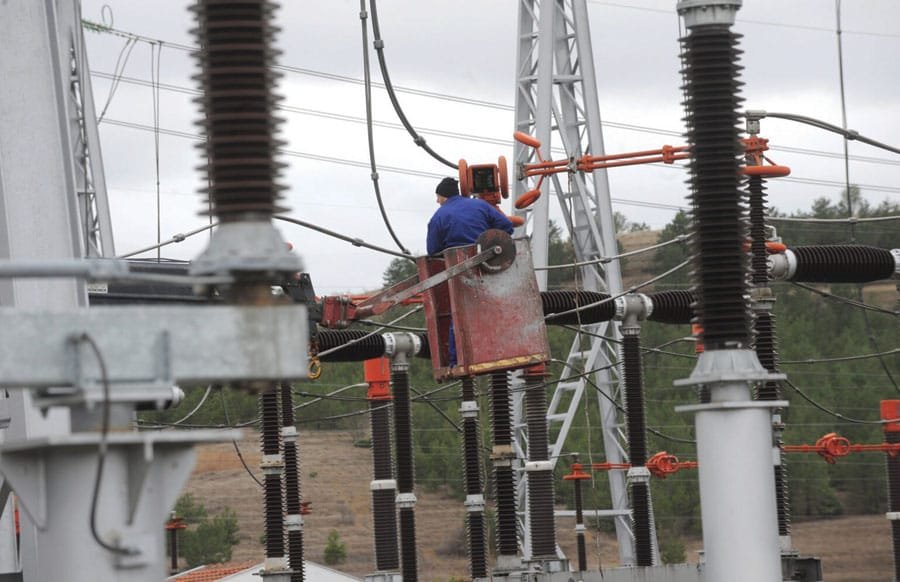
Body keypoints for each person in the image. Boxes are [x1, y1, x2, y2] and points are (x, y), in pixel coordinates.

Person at [426, 177, 514, 366]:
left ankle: (457, 360)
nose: (437, 201)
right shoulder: (480, 205)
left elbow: (432, 250)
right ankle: (502, 351)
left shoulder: (439, 216)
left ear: (443, 196)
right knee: (493, 307)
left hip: (458, 269)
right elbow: (507, 227)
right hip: (491, 266)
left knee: (459, 313)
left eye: (438, 197)